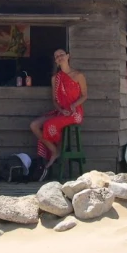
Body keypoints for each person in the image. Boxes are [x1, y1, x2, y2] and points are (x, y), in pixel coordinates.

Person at [30, 49, 87, 180]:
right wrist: (61, 110)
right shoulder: (55, 78)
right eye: (56, 56)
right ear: (55, 61)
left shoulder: (78, 75)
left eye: (62, 54)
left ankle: (55, 151)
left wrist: (73, 105)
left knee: (49, 124)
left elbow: (85, 95)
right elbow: (55, 101)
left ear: (68, 56)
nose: (59, 57)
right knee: (34, 125)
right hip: (61, 111)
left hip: (75, 113)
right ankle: (54, 150)